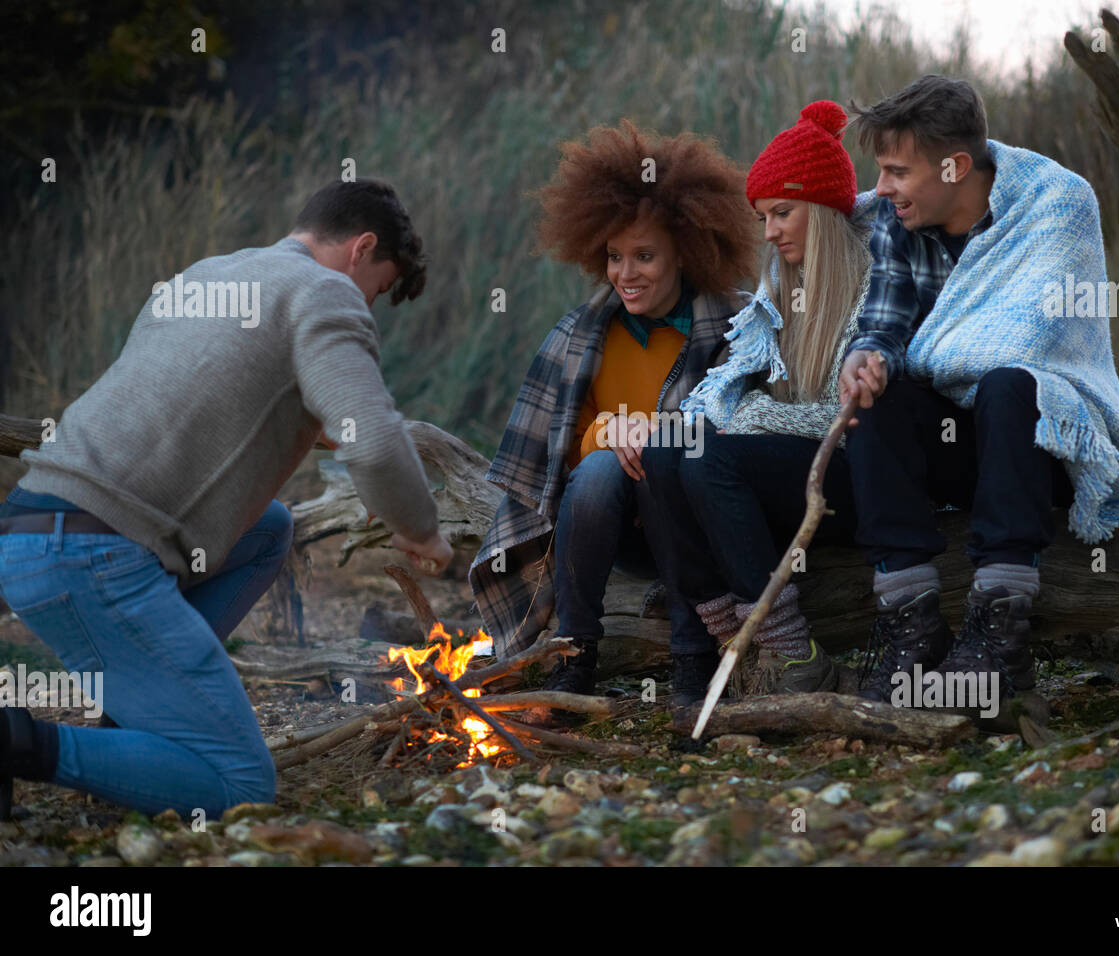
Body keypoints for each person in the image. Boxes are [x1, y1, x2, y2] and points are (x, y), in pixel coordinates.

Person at [0, 179, 453, 820]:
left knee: (269, 529)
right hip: (95, 557)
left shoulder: (209, 275)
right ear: (362, 248)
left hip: (28, 532)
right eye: (377, 289)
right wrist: (422, 529)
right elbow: (374, 443)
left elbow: (187, 396)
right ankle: (21, 744)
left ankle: (141, 719)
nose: (368, 307)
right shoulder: (324, 291)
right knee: (239, 784)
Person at [838, 76, 1119, 708]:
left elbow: (1033, 345)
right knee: (880, 400)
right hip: (960, 450)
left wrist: (925, 357)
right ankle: (911, 623)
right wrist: (868, 357)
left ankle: (1000, 632)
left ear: (955, 166)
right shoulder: (895, 220)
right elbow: (884, 320)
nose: (880, 189)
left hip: (1043, 445)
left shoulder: (1056, 203)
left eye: (896, 172)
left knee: (1011, 383)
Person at [468, 120, 755, 710]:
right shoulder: (580, 336)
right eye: (615, 256)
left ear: (689, 249)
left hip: (700, 524)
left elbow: (751, 436)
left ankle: (691, 660)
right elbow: (552, 463)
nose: (626, 274)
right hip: (607, 528)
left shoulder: (736, 328)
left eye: (645, 256)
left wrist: (662, 437)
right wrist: (607, 431)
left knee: (663, 460)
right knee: (600, 468)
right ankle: (574, 657)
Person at [644, 100, 874, 700]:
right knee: (670, 446)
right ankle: (733, 644)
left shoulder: (875, 286)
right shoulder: (779, 288)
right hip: (786, 474)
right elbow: (734, 391)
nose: (768, 232)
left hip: (854, 476)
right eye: (762, 216)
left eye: (781, 212)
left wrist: (745, 418)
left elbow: (841, 419)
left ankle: (795, 657)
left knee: (710, 455)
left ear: (821, 210)